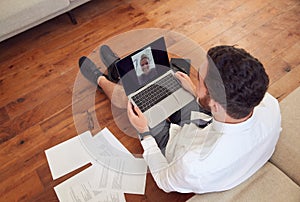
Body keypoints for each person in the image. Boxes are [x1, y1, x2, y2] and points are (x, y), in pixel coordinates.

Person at [79, 45, 281, 194]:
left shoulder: (193, 165)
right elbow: (229, 114)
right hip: (205, 121)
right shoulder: (269, 105)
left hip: (173, 145)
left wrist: (145, 133)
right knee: (167, 85)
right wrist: (197, 94)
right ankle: (121, 69)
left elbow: (162, 180)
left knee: (130, 100)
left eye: (199, 79)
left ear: (216, 104)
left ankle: (101, 79)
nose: (196, 80)